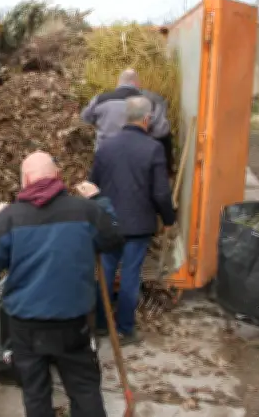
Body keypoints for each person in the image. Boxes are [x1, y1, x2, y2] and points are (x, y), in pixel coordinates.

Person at [0, 151, 124, 417]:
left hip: (26, 325)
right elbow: (114, 237)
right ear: (57, 176)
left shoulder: (8, 219)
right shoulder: (86, 211)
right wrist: (99, 200)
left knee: (35, 393)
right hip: (72, 322)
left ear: (25, 181)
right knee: (84, 389)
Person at [90, 96, 176, 345]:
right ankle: (125, 329)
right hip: (138, 226)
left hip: (108, 223)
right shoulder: (153, 148)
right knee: (130, 275)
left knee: (105, 273)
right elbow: (161, 193)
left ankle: (102, 324)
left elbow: (92, 185)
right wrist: (168, 218)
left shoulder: (106, 147)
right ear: (147, 119)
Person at [80, 68, 142, 149]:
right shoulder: (146, 102)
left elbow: (85, 117)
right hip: (133, 152)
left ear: (119, 82)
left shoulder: (100, 99)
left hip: (104, 151)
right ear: (136, 84)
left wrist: (100, 121)